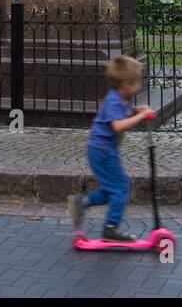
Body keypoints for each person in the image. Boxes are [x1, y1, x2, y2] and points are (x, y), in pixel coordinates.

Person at [66, 55, 154, 243]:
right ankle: (111, 228)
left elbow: (125, 115)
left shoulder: (125, 98)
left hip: (105, 150)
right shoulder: (114, 100)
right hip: (101, 151)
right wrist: (141, 117)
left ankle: (82, 202)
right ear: (127, 85)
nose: (140, 85)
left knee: (113, 188)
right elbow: (118, 126)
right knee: (121, 186)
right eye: (138, 82)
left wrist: (137, 111)